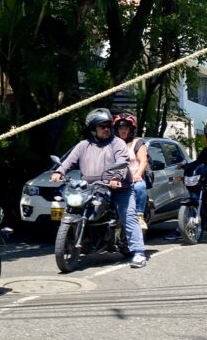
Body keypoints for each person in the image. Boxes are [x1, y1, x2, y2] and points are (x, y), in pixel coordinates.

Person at [51, 107, 147, 268]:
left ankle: (138, 253)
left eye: (108, 125)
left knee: (128, 215)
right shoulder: (83, 145)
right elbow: (69, 160)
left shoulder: (117, 143)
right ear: (93, 129)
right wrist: (59, 171)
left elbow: (123, 162)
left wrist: (116, 177)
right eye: (102, 126)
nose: (106, 129)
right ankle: (80, 241)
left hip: (119, 188)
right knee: (73, 207)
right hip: (92, 188)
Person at [113, 112, 149, 232]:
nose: (123, 131)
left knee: (140, 187)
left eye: (126, 128)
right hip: (114, 179)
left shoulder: (137, 142)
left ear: (130, 129)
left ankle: (139, 215)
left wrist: (138, 174)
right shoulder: (111, 144)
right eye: (120, 128)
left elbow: (144, 161)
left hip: (133, 179)